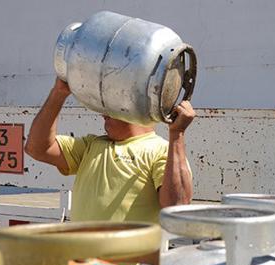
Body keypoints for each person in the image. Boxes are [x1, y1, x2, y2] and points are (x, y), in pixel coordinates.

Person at [25, 78, 195, 223]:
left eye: (112, 105)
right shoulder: (91, 145)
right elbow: (37, 148)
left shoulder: (162, 151)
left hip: (132, 263)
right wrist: (58, 93)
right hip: (85, 262)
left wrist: (177, 133)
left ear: (134, 109)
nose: (103, 113)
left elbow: (177, 208)